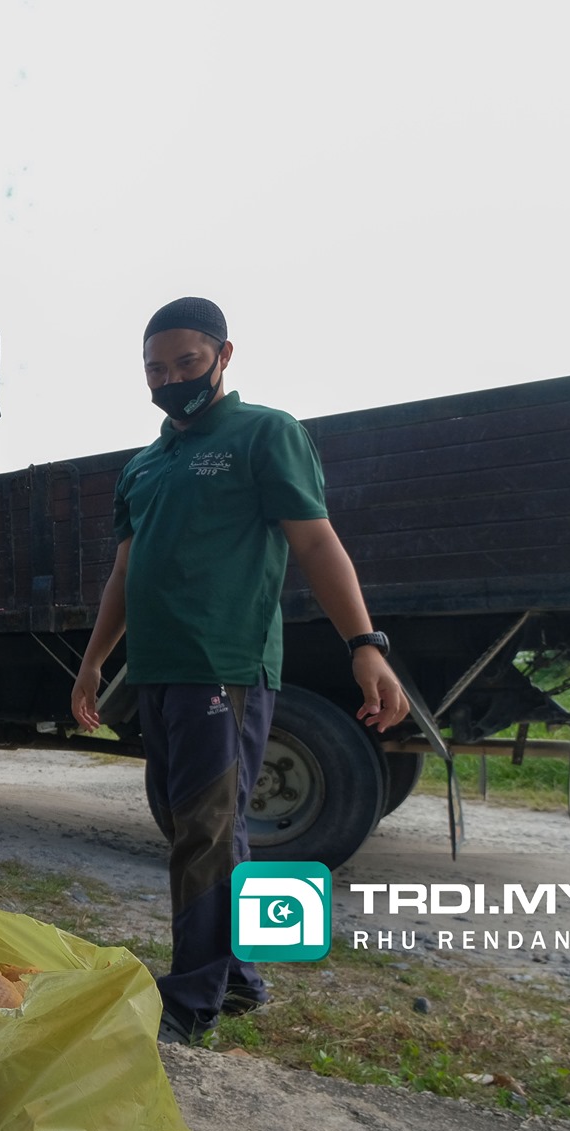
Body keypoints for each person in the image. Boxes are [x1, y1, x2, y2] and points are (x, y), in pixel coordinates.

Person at [70, 297, 410, 1045]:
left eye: (187, 362)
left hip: (223, 666)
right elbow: (125, 573)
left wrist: (365, 642)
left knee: (204, 832)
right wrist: (95, 661)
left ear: (225, 355)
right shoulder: (146, 464)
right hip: (157, 670)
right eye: (156, 369)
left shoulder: (266, 433)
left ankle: (192, 999)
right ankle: (243, 977)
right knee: (208, 827)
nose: (171, 379)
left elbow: (318, 544)